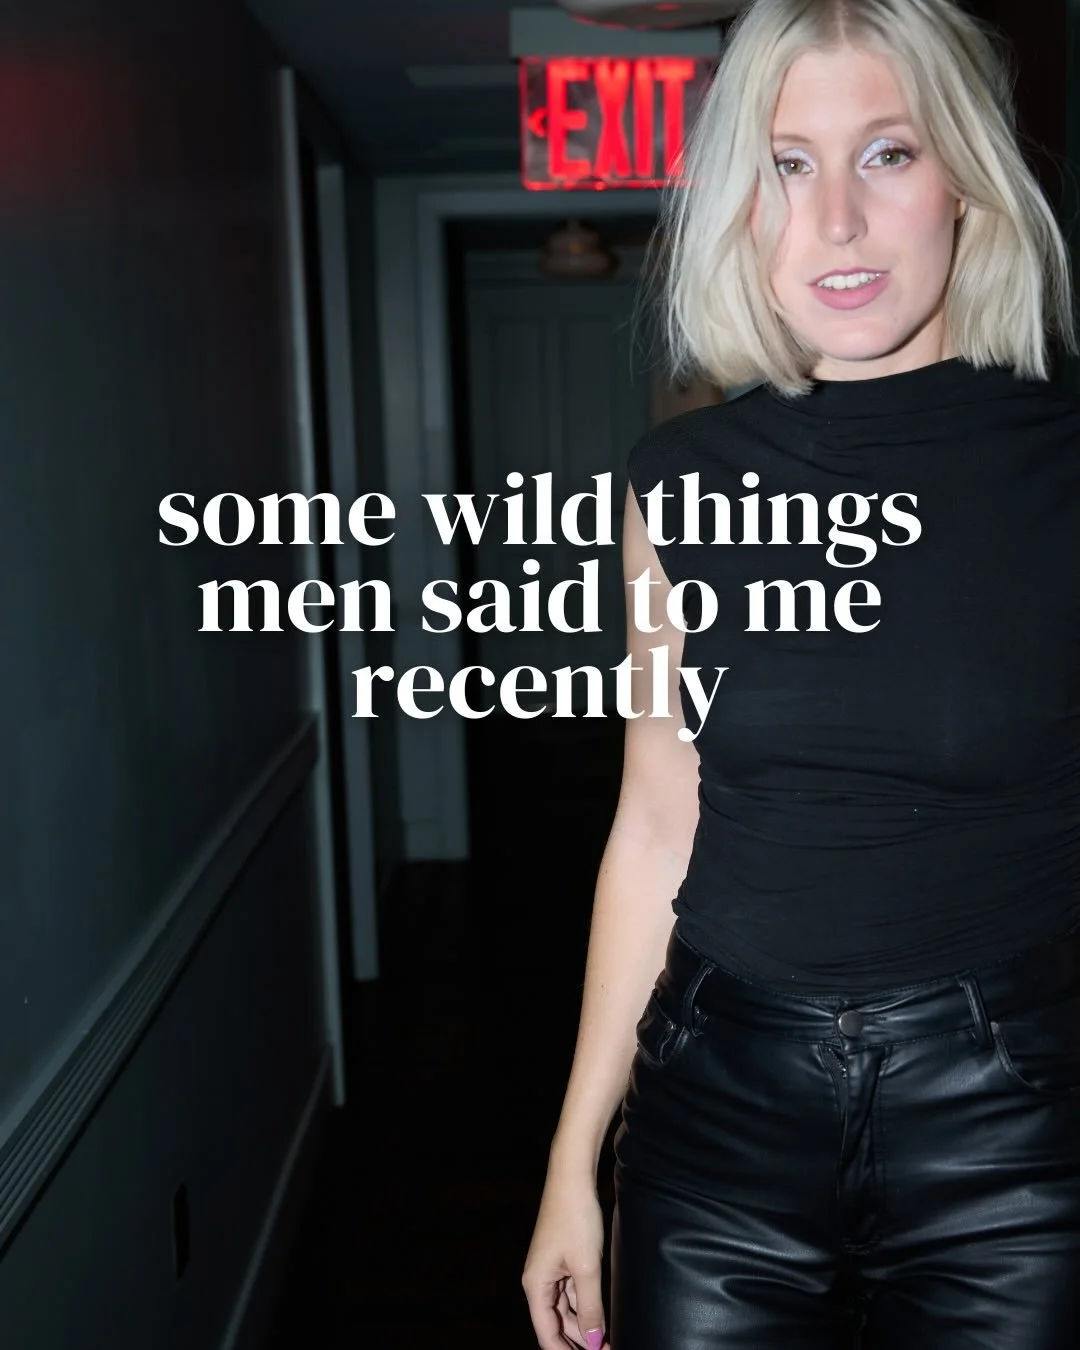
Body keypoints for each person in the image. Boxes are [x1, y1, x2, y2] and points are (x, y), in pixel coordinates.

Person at [521, 0, 1080, 1346]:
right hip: (715, 1119)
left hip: (1014, 1127)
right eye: (787, 163)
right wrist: (573, 1159)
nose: (835, 218)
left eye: (887, 153)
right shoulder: (676, 482)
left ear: (965, 180)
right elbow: (656, 820)